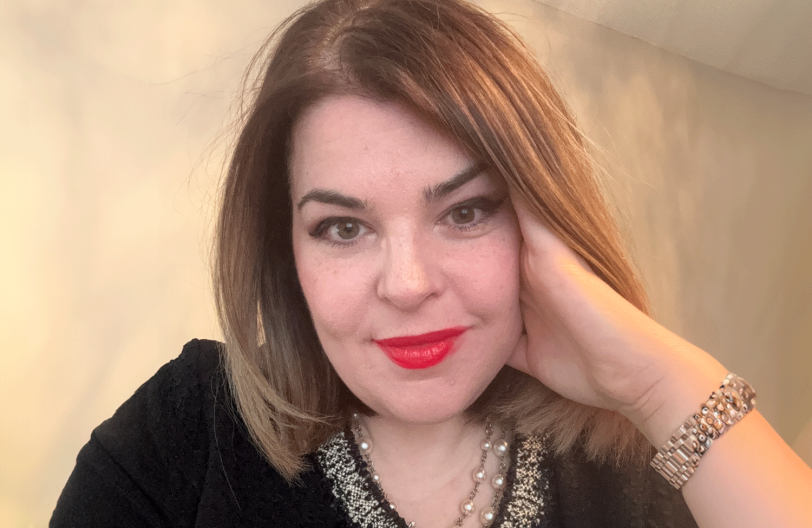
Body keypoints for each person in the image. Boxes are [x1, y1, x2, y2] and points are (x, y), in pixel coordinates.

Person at [50, 0, 812, 526]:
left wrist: (663, 385)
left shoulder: (633, 473)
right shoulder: (186, 431)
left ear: (544, 224)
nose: (409, 284)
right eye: (342, 227)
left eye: (466, 212)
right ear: (287, 251)